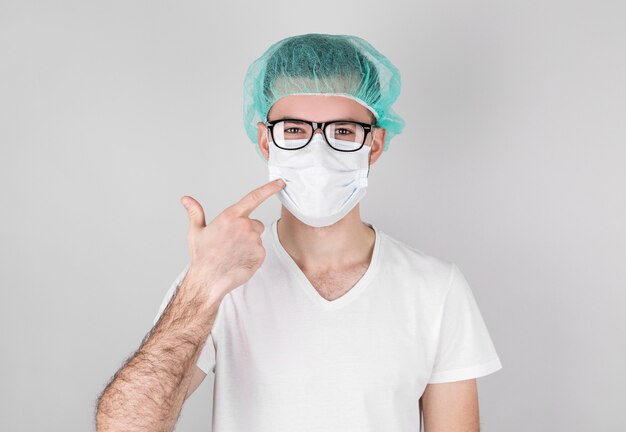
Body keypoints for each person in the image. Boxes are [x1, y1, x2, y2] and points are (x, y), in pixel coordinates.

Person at [95, 33, 502, 432]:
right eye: (294, 130)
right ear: (266, 140)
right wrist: (203, 286)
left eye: (343, 131)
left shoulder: (434, 289)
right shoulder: (219, 279)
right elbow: (123, 427)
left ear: (374, 145)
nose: (317, 153)